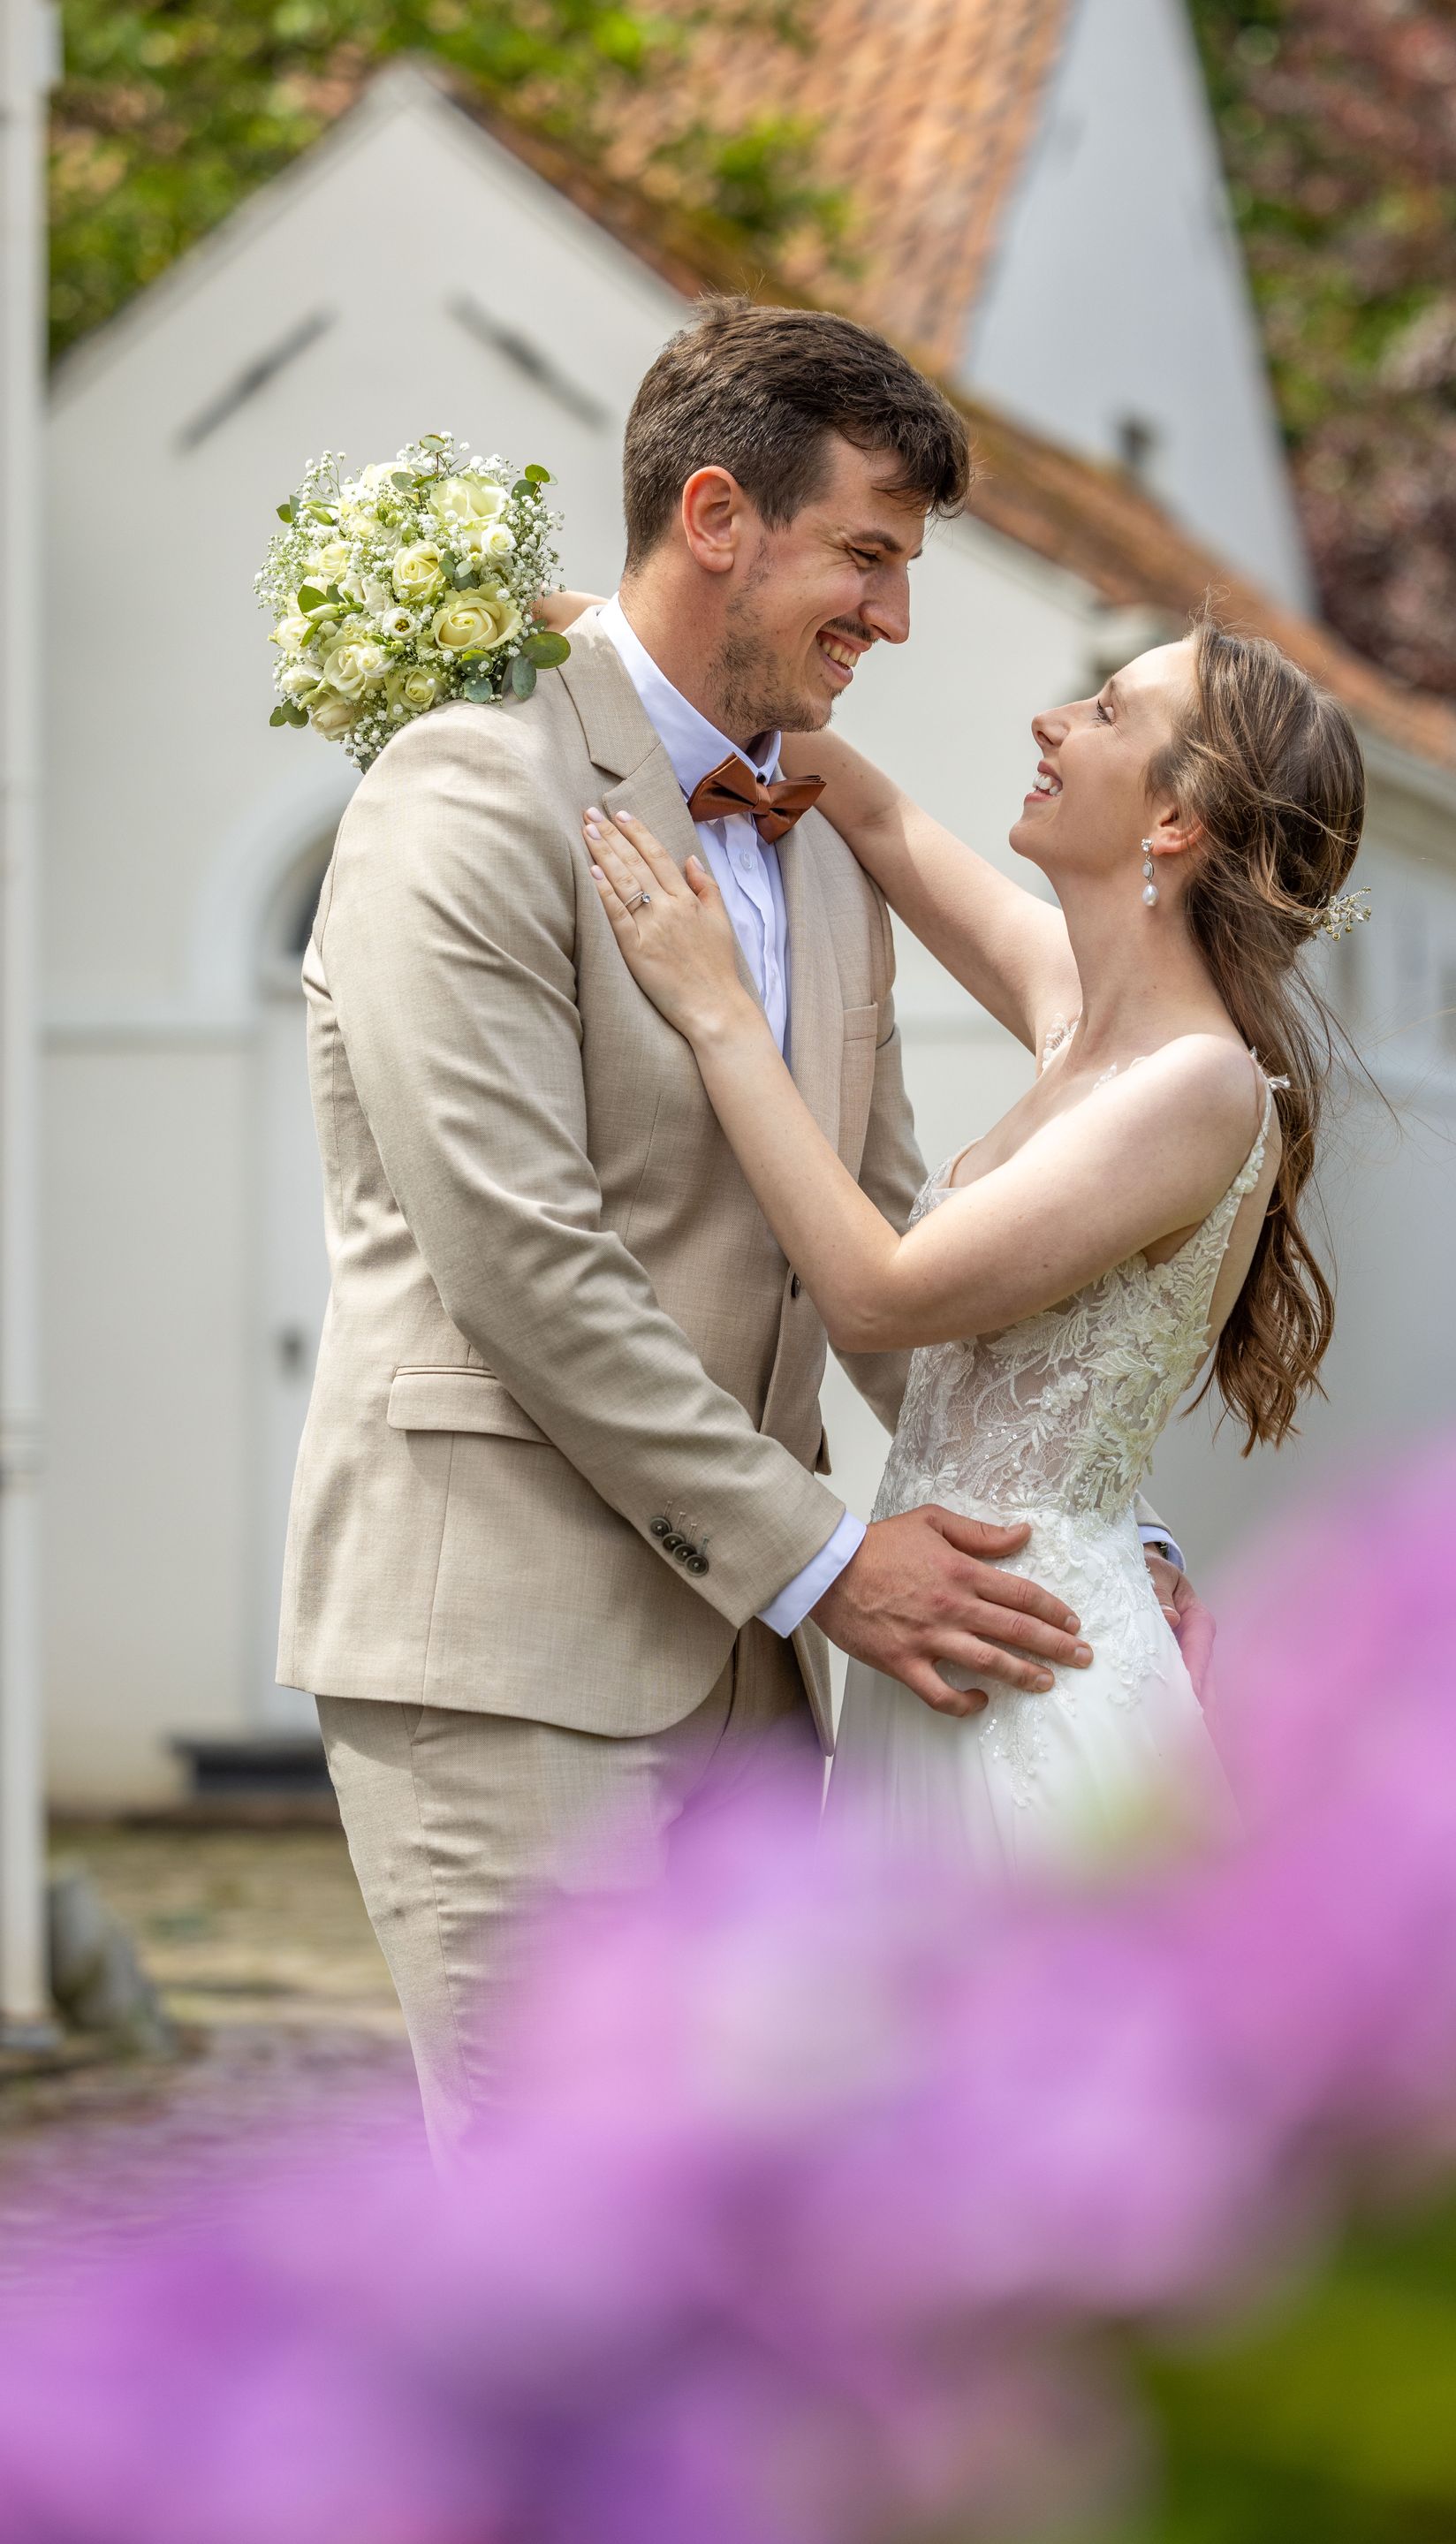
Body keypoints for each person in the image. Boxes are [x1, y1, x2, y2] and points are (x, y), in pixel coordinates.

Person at [277, 298, 1198, 2156]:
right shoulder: (466, 786)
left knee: (767, 2244)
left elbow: (875, 1239)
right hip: (509, 1651)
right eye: (866, 554)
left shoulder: (812, 840)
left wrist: (1077, 1515)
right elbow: (518, 1259)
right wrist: (832, 1559)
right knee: (557, 2240)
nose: (895, 613)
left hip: (758, 1679)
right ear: (718, 517)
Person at [580, 611, 1366, 1866]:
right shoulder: (1081, 1009)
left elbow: (880, 1297)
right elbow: (875, 818)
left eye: (1107, 713)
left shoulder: (1200, 1089)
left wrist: (721, 1010)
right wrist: (602, 630)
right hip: (947, 1642)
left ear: (1177, 822)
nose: (1051, 724)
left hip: (1032, 1682)